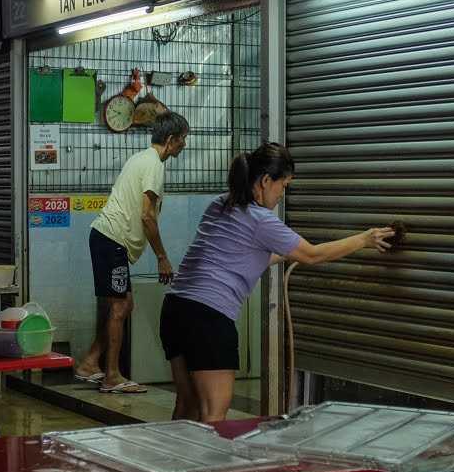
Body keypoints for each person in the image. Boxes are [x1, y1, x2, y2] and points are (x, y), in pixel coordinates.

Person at [161, 142, 395, 422]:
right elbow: (312, 255)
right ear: (265, 181)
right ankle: (205, 466)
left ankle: (171, 463)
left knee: (186, 405)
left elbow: (240, 255)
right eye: (283, 186)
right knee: (213, 415)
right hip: (208, 316)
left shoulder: (222, 203)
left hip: (176, 308)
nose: (282, 195)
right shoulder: (261, 219)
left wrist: (283, 255)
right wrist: (364, 239)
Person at [75, 110, 190, 394]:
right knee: (119, 306)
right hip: (111, 239)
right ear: (172, 139)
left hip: (107, 238)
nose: (184, 146)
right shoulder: (154, 164)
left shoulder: (142, 158)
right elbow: (147, 216)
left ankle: (90, 362)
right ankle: (111, 375)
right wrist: (162, 257)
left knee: (121, 305)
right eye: (183, 140)